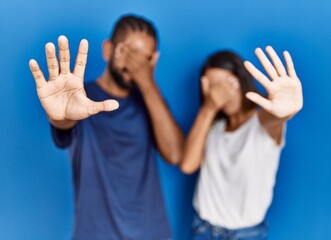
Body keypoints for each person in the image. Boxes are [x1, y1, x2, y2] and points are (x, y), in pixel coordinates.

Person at [29, 15, 184, 240]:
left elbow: (175, 154)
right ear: (108, 50)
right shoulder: (80, 99)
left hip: (152, 232)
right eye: (130, 53)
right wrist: (59, 116)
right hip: (96, 233)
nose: (135, 66)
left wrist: (147, 82)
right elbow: (65, 121)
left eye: (145, 59)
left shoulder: (151, 100)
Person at [180, 47, 303, 239]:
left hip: (246, 234)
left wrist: (287, 111)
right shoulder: (213, 127)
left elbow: (276, 117)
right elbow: (188, 164)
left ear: (241, 79)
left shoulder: (262, 122)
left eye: (226, 83)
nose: (221, 93)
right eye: (213, 87)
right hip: (202, 229)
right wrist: (209, 107)